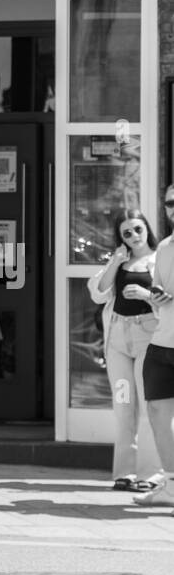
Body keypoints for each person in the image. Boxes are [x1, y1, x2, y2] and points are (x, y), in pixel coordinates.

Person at [88, 208, 165, 491]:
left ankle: (150, 474)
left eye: (137, 229)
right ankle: (125, 472)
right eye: (126, 233)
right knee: (123, 404)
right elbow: (98, 291)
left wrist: (147, 295)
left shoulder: (162, 259)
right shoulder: (119, 261)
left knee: (147, 405)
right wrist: (115, 262)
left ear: (147, 228)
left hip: (148, 336)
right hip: (119, 339)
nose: (133, 236)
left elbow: (170, 299)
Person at [133, 184, 174, 506]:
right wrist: (153, 296)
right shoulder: (165, 247)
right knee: (158, 413)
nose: (173, 208)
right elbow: (161, 300)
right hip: (162, 343)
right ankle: (171, 484)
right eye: (170, 203)